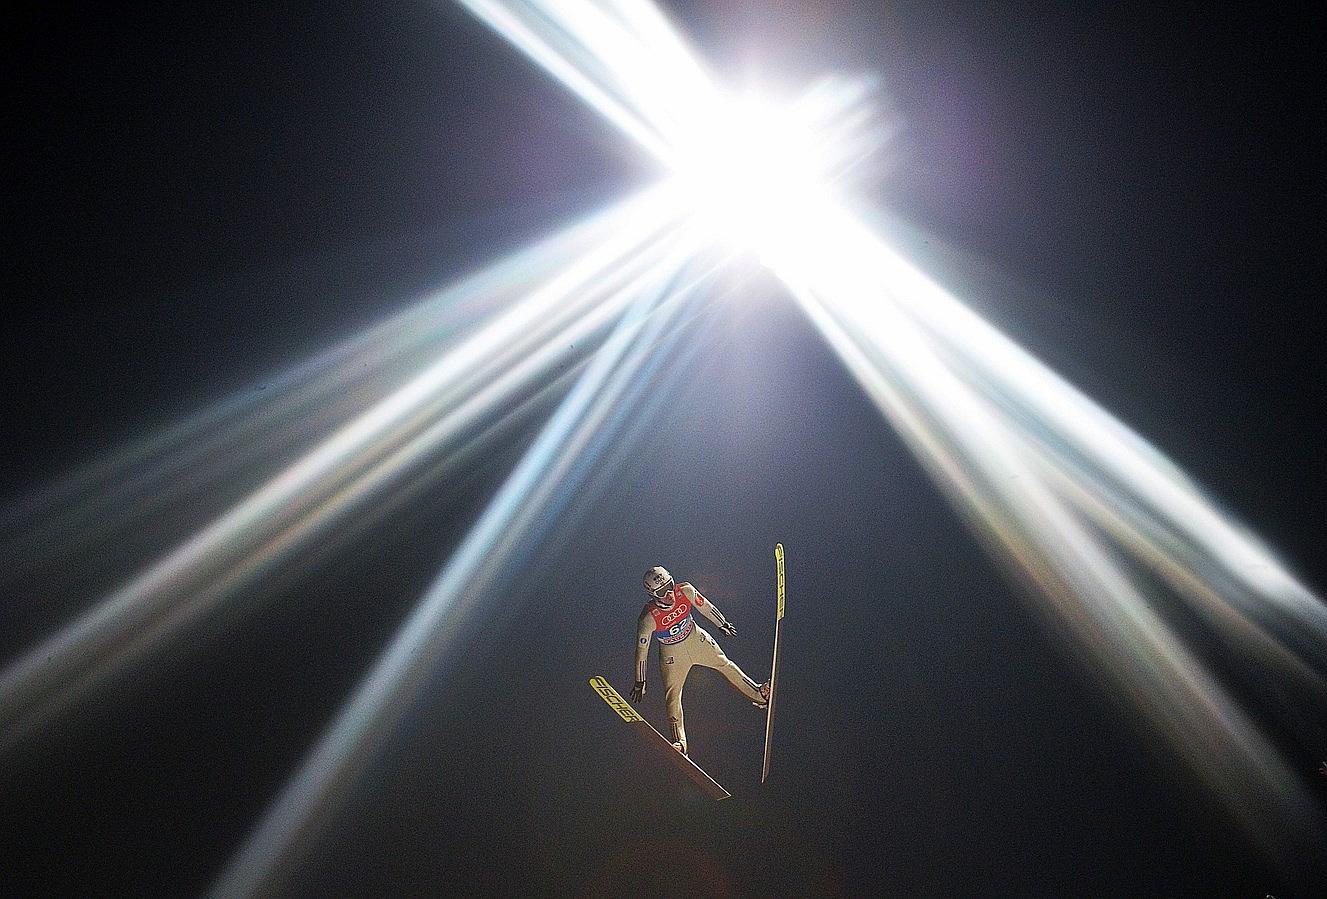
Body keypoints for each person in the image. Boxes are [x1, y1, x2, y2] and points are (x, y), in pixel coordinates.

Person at [630, 565, 769, 756]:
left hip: (696, 638)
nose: (669, 594)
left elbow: (704, 606)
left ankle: (758, 694)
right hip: (672, 654)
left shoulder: (684, 590)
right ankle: (680, 742)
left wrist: (722, 623)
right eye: (662, 592)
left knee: (725, 664)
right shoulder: (649, 618)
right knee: (673, 695)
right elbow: (642, 650)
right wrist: (640, 680)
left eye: (670, 586)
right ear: (653, 595)